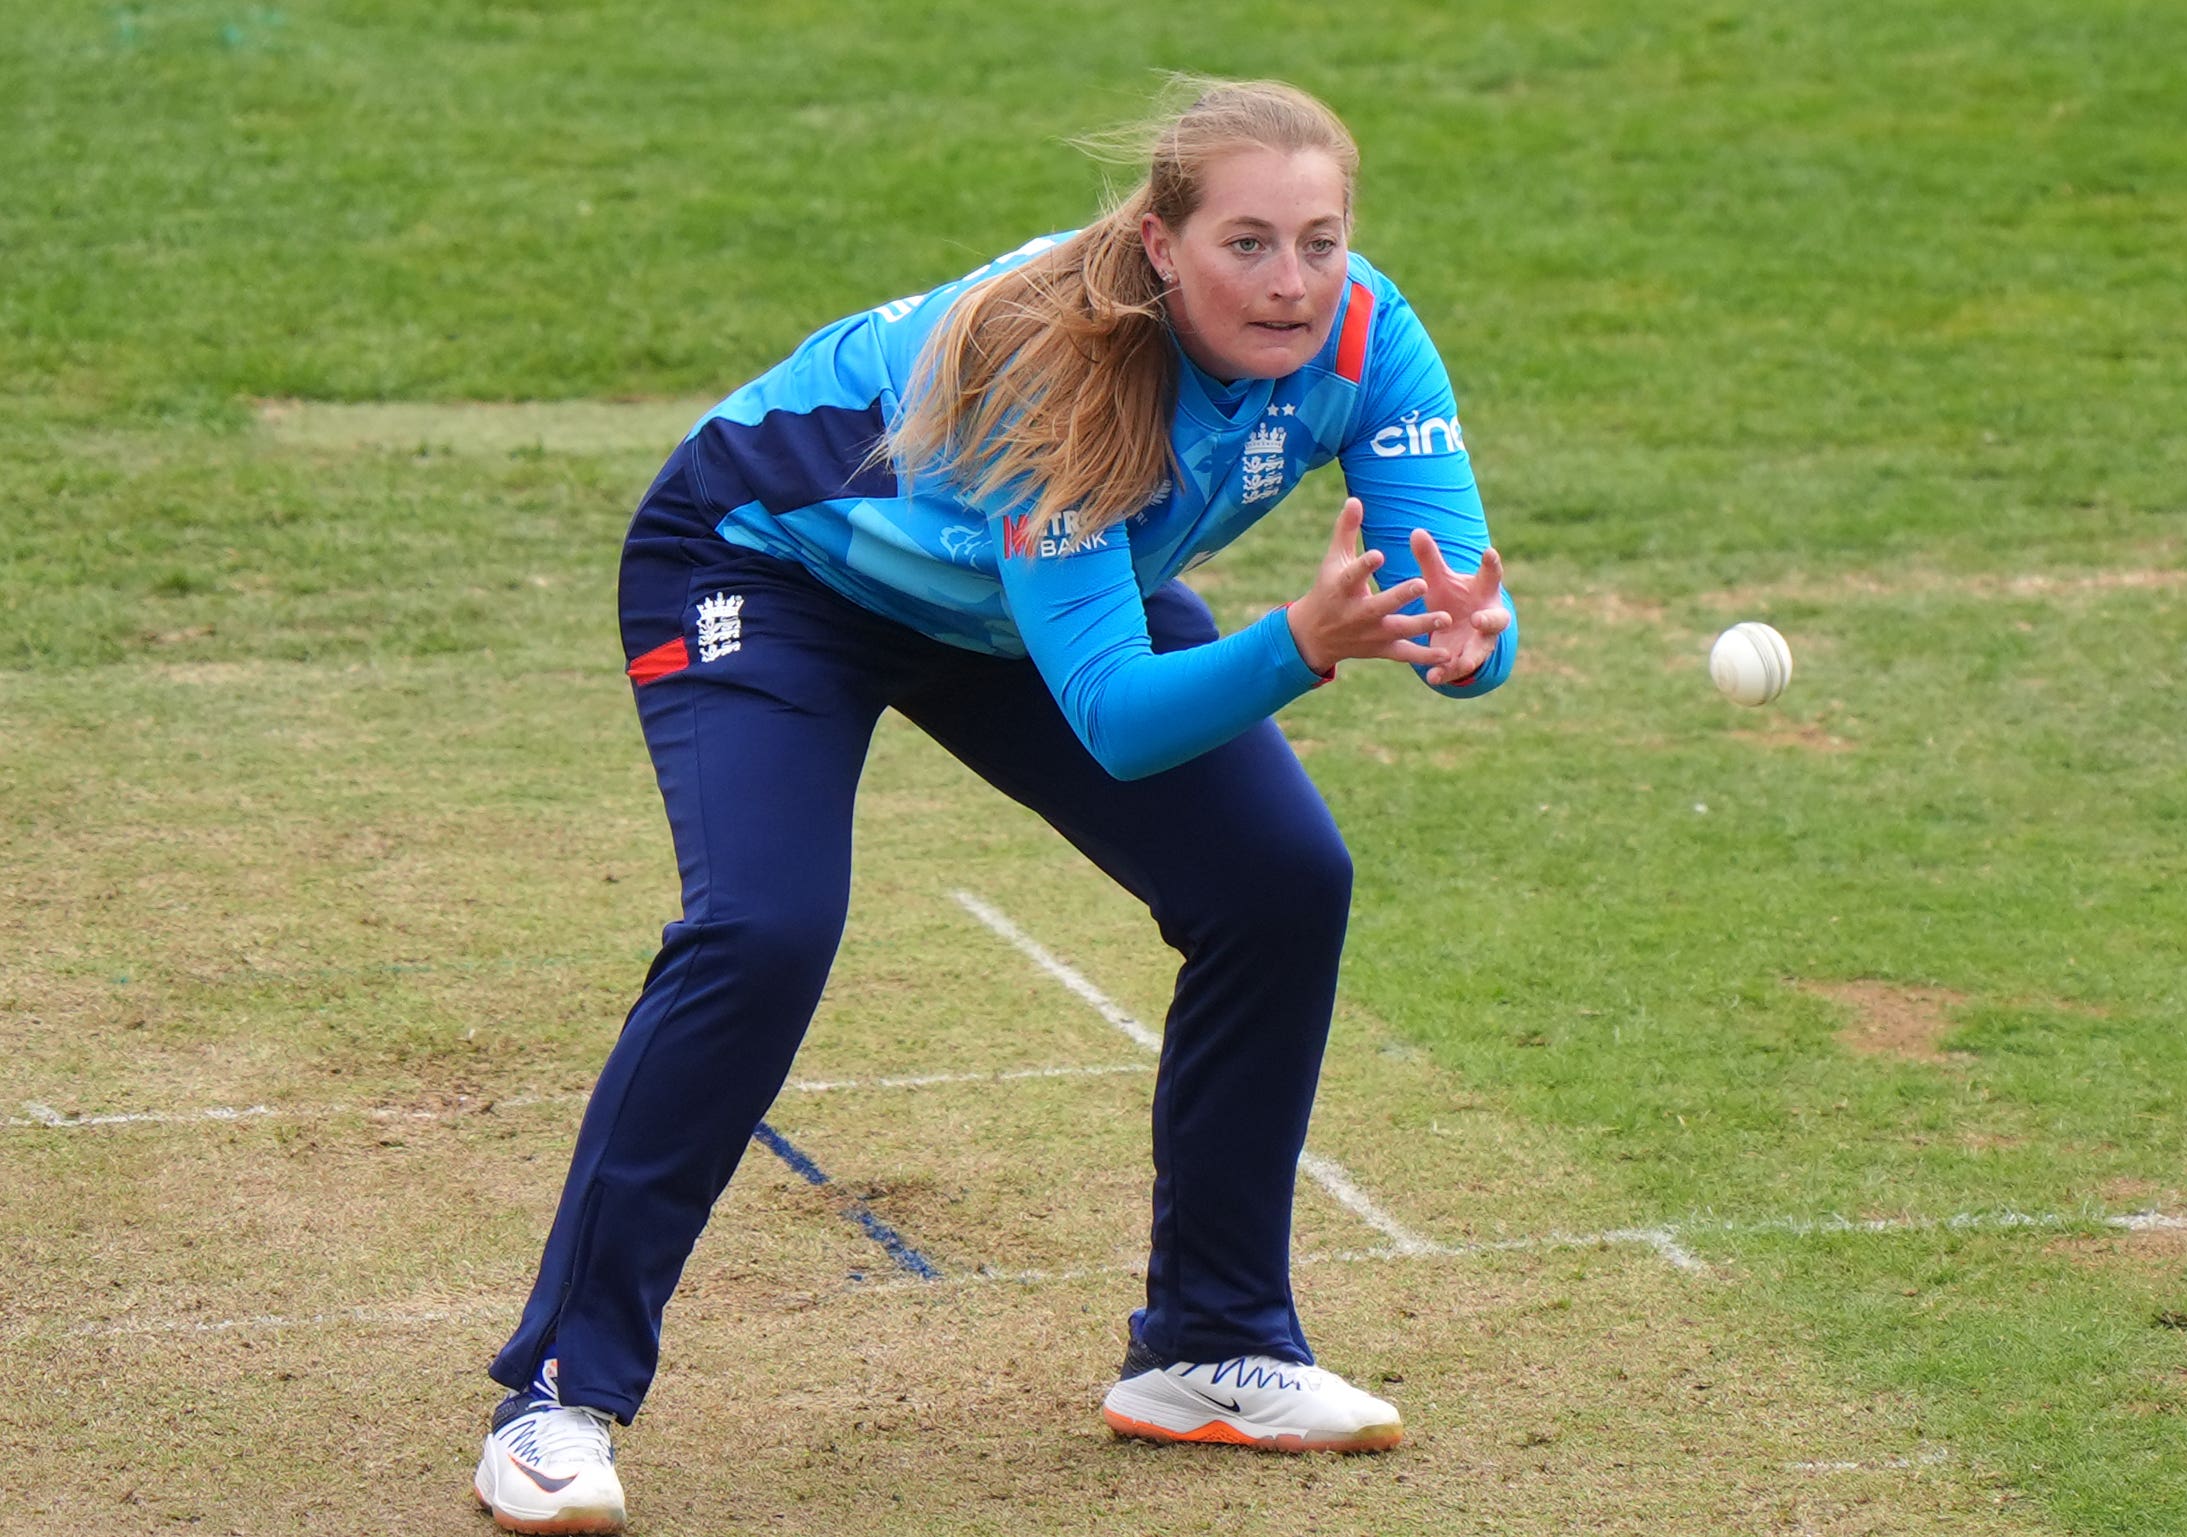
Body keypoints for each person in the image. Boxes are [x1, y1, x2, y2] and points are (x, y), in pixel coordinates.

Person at [470, 77, 1516, 1535]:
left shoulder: (1366, 335)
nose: (1290, 282)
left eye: (1319, 241)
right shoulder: (1058, 361)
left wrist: (1467, 638)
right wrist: (1297, 643)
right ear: (1161, 242)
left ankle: (1210, 1347)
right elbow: (1115, 719)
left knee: (1278, 882)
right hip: (771, 573)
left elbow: (1450, 585)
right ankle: (555, 1395)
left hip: (1023, 602)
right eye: (1248, 244)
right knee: (763, 929)